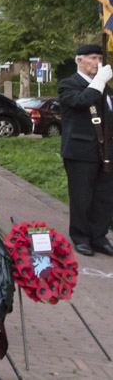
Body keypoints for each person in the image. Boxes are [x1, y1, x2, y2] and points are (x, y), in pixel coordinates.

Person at [57, 44, 113, 257]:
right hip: (80, 150)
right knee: (82, 196)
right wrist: (100, 81)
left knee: (104, 197)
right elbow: (82, 101)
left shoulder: (106, 89)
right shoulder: (68, 85)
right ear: (79, 60)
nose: (98, 62)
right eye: (92, 58)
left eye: (100, 57)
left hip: (106, 152)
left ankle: (99, 237)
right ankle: (81, 237)